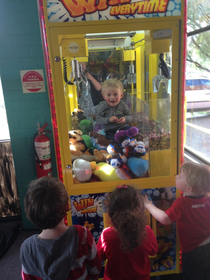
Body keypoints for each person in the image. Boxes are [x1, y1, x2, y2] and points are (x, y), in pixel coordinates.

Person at [20, 176, 101, 280]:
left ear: (30, 212)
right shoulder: (82, 235)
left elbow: (28, 277)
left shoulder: (27, 248)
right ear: (67, 205)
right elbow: (95, 269)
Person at [144, 162, 210, 280]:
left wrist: (149, 206)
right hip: (208, 243)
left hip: (193, 249)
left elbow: (165, 219)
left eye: (179, 176)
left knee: (192, 274)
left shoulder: (182, 203)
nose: (176, 176)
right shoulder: (207, 200)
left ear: (189, 188)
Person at [97, 185, 158, 280]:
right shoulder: (147, 232)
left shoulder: (106, 236)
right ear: (140, 210)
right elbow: (153, 251)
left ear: (111, 213)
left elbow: (99, 256)